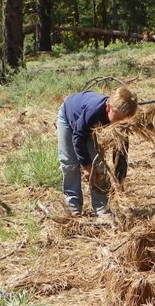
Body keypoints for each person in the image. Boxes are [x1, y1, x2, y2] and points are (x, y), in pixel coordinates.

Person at [57, 86, 138, 217]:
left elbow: (121, 152)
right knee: (69, 163)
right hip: (69, 119)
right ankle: (73, 205)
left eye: (124, 120)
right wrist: (87, 165)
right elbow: (78, 137)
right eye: (118, 118)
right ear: (109, 107)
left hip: (88, 128)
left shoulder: (121, 122)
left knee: (98, 165)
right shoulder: (93, 110)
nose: (120, 123)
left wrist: (119, 179)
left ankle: (101, 208)